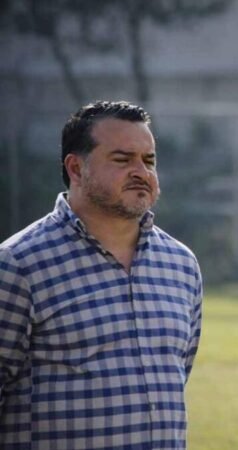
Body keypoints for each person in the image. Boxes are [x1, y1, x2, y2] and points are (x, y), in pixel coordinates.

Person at [0, 101, 203, 449]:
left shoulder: (181, 265)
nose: (141, 171)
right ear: (76, 168)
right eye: (122, 160)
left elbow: (178, 376)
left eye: (149, 160)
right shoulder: (19, 264)